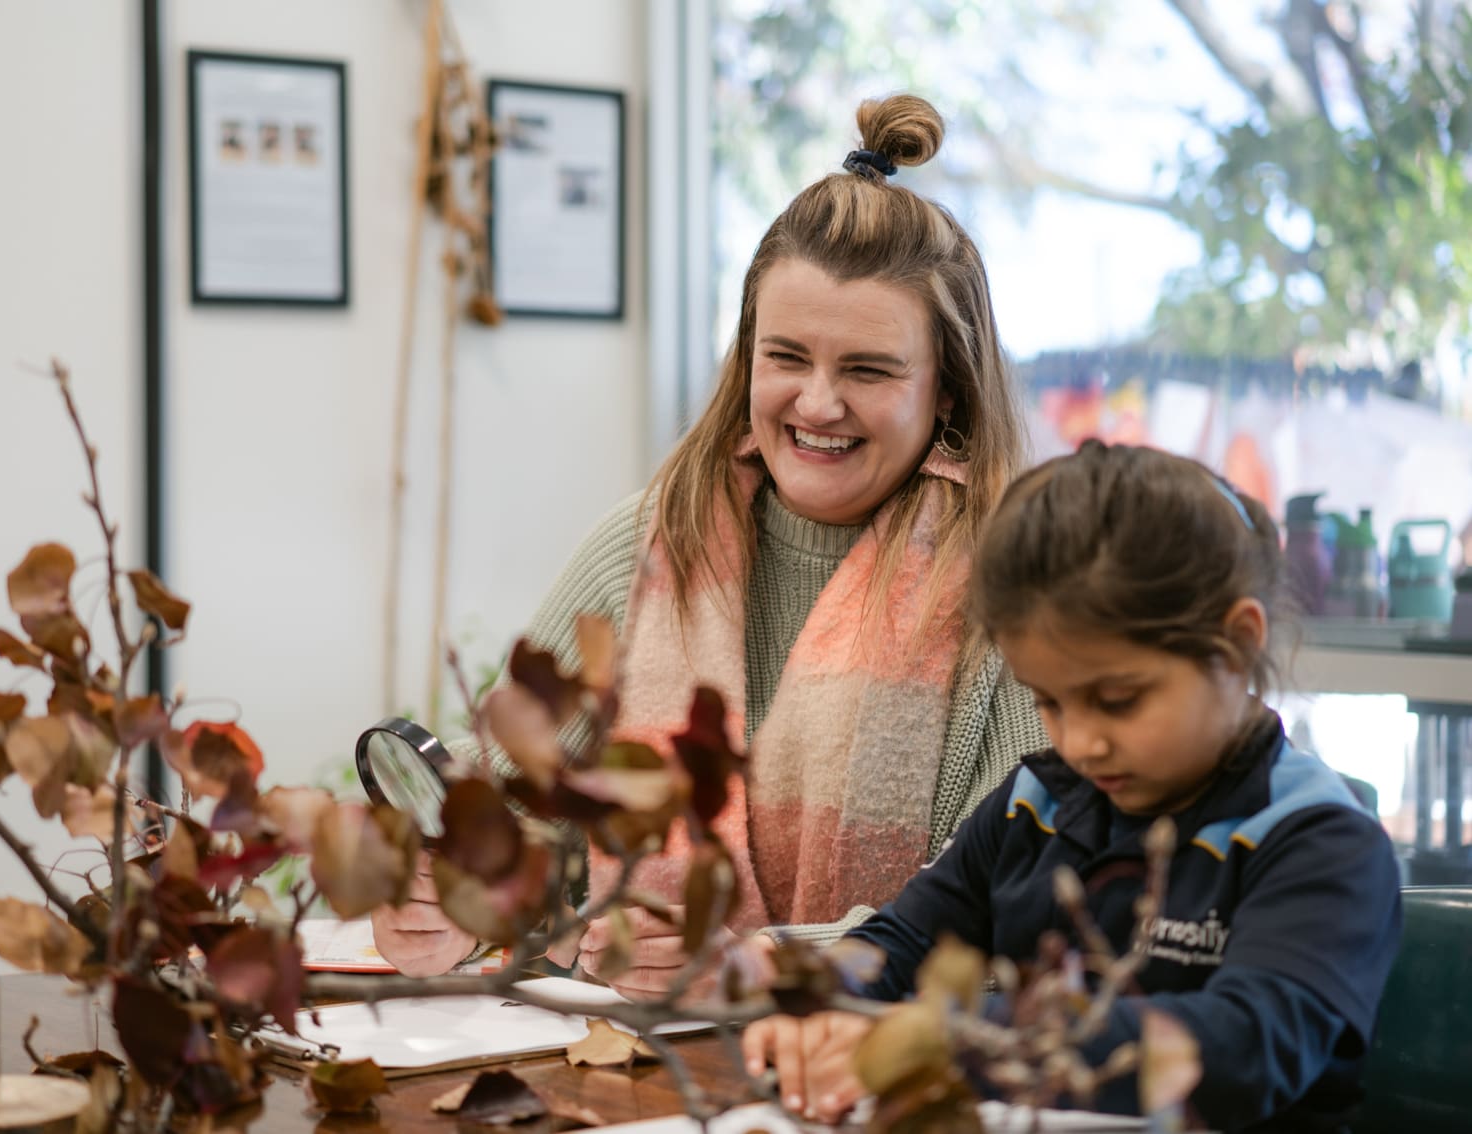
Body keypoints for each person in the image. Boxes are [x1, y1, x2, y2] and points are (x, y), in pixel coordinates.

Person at [374, 92, 1048, 991]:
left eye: (868, 370)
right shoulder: (646, 545)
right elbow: (508, 830)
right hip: (626, 1073)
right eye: (787, 358)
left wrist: (761, 966)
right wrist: (443, 908)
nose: (816, 404)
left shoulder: (1015, 591)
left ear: (950, 391)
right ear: (747, 358)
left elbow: (1017, 907)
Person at [741, 441, 1403, 1131]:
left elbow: (1242, 1050)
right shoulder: (1037, 802)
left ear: (1235, 645)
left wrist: (958, 1040)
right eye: (1049, 703)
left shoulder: (1324, 843)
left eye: (1118, 699)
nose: (1080, 742)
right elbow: (902, 940)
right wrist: (821, 998)